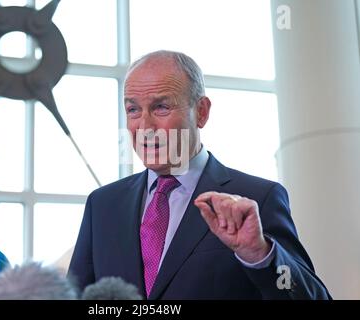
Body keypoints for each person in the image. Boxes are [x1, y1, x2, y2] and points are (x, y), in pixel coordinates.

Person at [68, 50, 331, 299]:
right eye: (133, 110)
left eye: (161, 107)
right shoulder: (102, 205)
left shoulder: (258, 198)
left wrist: (259, 254)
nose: (144, 126)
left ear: (201, 112)